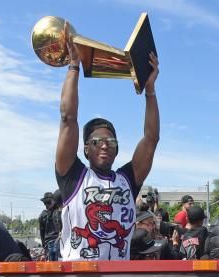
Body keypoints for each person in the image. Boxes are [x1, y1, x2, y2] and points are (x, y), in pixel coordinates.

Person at [54, 25, 160, 261]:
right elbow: (67, 119)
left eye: (111, 141)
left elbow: (151, 139)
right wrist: (74, 67)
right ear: (86, 148)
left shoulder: (127, 180)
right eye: (97, 141)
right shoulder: (73, 176)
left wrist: (150, 91)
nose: (105, 145)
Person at [38, 191, 61, 261]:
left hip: (49, 243)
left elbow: (42, 233)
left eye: (46, 203)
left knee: (51, 267)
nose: (46, 205)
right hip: (59, 242)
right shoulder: (59, 212)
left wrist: (44, 246)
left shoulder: (42, 215)